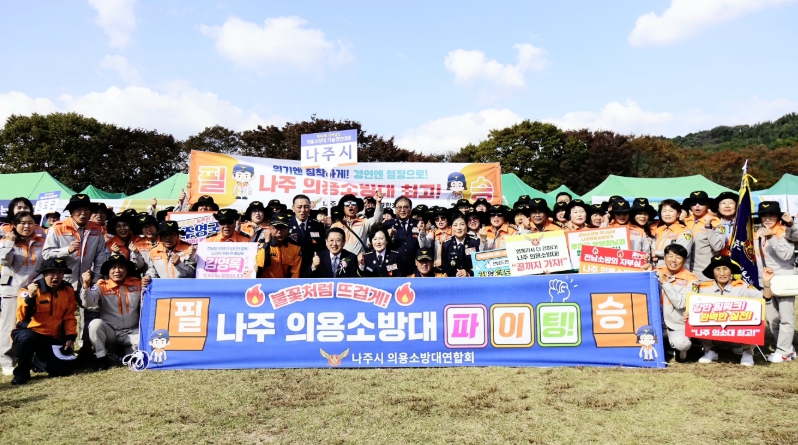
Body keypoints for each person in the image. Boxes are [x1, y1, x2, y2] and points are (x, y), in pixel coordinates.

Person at [43, 194, 107, 358]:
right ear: (71, 212)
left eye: (86, 209)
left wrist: (96, 277)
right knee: (63, 315)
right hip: (63, 281)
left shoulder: (96, 229)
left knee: (91, 312)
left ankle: (86, 348)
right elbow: (46, 254)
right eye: (78, 209)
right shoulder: (58, 227)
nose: (83, 213)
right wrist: (67, 250)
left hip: (87, 281)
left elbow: (100, 255)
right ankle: (62, 349)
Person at [696, 255, 773, 366]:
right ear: (713, 272)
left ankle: (747, 352)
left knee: (756, 317)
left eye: (725, 269)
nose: (722, 273)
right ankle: (710, 350)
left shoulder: (742, 286)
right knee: (694, 318)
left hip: (738, 336)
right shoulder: (703, 288)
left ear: (731, 271)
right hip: (714, 336)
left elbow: (766, 298)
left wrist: (766, 283)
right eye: (717, 269)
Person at [10, 258, 77, 384]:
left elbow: (69, 317)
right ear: (44, 274)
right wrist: (30, 297)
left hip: (52, 338)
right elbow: (21, 316)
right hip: (30, 333)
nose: (56, 276)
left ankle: (37, 360)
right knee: (27, 338)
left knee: (63, 370)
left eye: (60, 273)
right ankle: (22, 373)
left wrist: (70, 338)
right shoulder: (28, 290)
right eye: (52, 272)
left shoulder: (68, 290)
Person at [0, 211, 46, 375]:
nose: (27, 226)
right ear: (15, 225)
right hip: (12, 290)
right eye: (23, 223)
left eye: (30, 222)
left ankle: (31, 358)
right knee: (9, 326)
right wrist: (9, 243)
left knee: (34, 324)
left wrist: (37, 281)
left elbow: (45, 266)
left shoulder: (41, 242)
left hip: (34, 289)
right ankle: (7, 360)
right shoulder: (6, 240)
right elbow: (5, 261)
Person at [753, 201, 798, 363]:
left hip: (784, 280)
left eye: (771, 215)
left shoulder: (785, 232)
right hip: (764, 281)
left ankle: (783, 351)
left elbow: (786, 255)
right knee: (771, 317)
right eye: (764, 215)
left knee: (786, 317)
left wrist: (771, 237)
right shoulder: (756, 233)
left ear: (778, 217)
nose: (767, 218)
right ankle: (787, 347)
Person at [81, 254, 141, 371]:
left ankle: (121, 352)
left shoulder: (137, 283)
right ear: (108, 272)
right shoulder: (101, 285)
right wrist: (86, 286)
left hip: (133, 331)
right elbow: (88, 303)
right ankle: (101, 358)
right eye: (113, 268)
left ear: (127, 270)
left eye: (121, 267)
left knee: (138, 354)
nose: (117, 271)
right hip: (111, 332)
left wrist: (147, 281)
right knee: (95, 324)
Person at [649, 244, 698, 361]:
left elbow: (681, 303)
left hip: (676, 325)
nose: (673, 260)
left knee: (682, 343)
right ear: (665, 257)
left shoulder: (692, 279)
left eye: (678, 257)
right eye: (670, 256)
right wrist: (644, 269)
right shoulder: (655, 271)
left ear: (684, 261)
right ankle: (665, 347)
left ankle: (678, 350)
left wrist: (665, 282)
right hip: (655, 322)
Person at [681, 191, 725, 281]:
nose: (697, 206)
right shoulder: (684, 222)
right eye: (693, 203)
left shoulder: (716, 223)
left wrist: (708, 227)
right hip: (684, 273)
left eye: (701, 203)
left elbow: (718, 246)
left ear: (707, 205)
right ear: (690, 206)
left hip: (705, 274)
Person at [331, 191, 384, 256]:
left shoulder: (364, 222)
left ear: (357, 207)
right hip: (341, 260)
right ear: (343, 208)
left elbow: (377, 220)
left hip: (359, 260)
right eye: (347, 204)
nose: (351, 206)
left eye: (354, 203)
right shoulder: (335, 226)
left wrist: (378, 203)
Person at [255, 213, 302, 278]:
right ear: (270, 229)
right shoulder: (261, 244)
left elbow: (295, 274)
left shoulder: (295, 247)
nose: (279, 231)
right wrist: (266, 243)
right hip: (264, 282)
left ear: (288, 229)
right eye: (276, 228)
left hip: (285, 283)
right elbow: (260, 263)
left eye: (283, 228)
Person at [289, 195, 326, 273]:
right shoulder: (287, 224)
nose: (303, 210)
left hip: (312, 266)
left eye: (306, 207)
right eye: (299, 207)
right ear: (293, 208)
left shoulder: (317, 225)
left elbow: (323, 247)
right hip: (291, 265)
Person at [384, 196, 420, 274]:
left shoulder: (417, 224)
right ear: (395, 209)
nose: (402, 210)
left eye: (406, 207)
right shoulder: (387, 224)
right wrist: (387, 237)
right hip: (393, 268)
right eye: (399, 207)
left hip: (413, 268)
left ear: (411, 208)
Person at [652, 199, 690, 267]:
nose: (667, 214)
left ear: (678, 214)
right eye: (664, 211)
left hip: (675, 270)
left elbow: (681, 252)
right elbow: (652, 249)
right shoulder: (658, 230)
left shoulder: (685, 231)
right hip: (656, 269)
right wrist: (652, 254)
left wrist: (656, 253)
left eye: (671, 211)